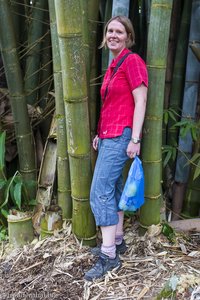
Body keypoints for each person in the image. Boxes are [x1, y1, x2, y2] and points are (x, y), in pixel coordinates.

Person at [84, 15, 148, 281]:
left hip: (122, 135)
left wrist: (135, 139)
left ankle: (109, 255)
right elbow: (112, 105)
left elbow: (141, 99)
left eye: (119, 31)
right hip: (109, 135)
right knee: (113, 189)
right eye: (109, 30)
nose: (113, 34)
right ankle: (118, 240)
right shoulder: (113, 66)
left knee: (99, 192)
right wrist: (100, 133)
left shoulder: (132, 61)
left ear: (129, 37)